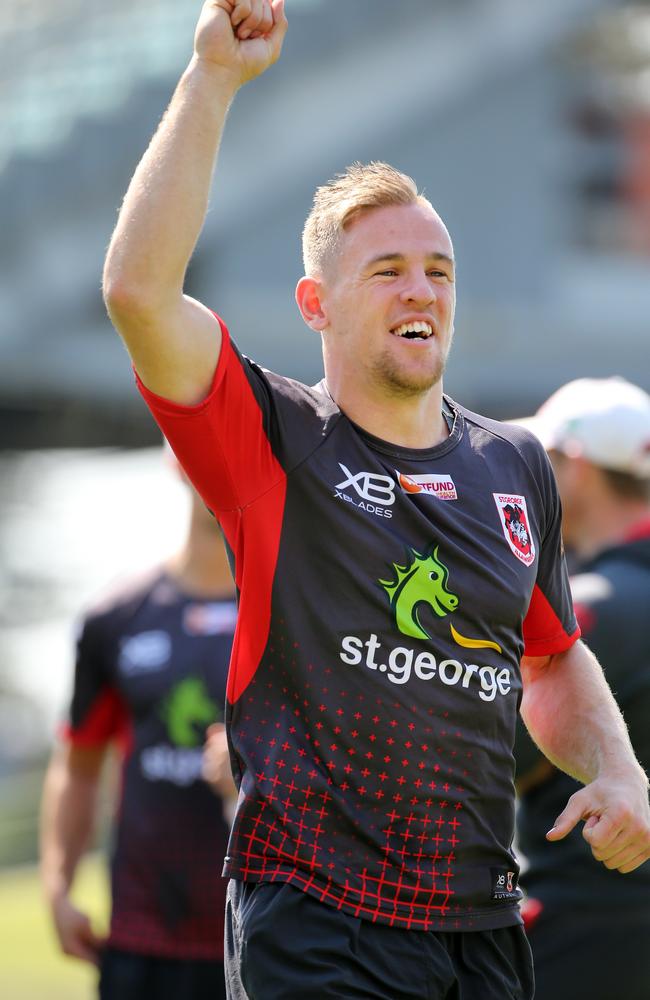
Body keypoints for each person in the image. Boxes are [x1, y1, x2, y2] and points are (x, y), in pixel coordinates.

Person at [100, 3, 650, 997]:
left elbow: (552, 655)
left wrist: (618, 769)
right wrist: (210, 81)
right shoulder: (273, 436)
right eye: (385, 270)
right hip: (317, 918)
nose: (419, 292)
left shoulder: (514, 463)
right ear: (317, 303)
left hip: (478, 922)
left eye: (436, 271)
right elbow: (140, 292)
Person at [40, 464, 238, 1000]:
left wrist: (250, 779)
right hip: (142, 945)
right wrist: (58, 886)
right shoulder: (116, 617)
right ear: (178, 459)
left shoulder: (297, 617)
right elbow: (77, 764)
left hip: (267, 936)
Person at [513, 377, 650, 1000]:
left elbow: (490, 754)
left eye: (539, 464)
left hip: (586, 935)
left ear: (577, 468)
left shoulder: (592, 612)